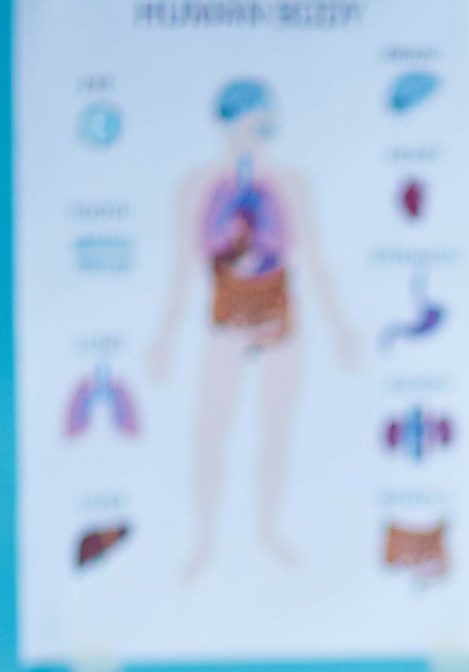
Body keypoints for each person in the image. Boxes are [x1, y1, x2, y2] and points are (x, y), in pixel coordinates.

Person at [143, 77, 359, 580]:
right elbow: (180, 269)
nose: (263, 130)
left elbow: (317, 261)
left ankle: (267, 528)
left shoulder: (291, 184)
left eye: (268, 120)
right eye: (255, 119)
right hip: (225, 315)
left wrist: (342, 328)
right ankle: (205, 538)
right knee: (212, 429)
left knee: (275, 429)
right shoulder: (197, 186)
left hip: (279, 313)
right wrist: (165, 339)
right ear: (231, 122)